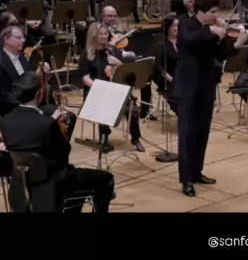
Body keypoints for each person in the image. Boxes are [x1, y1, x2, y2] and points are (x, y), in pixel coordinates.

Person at [0, 72, 114, 213]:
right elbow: (64, 153)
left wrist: (50, 122)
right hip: (52, 182)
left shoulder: (5, 121)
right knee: (106, 179)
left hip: (21, 182)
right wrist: (56, 124)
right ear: (38, 95)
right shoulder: (47, 124)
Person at [175, 0, 248, 197]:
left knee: (202, 131)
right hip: (188, 88)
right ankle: (186, 179)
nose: (216, 16)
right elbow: (188, 40)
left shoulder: (212, 29)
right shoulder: (186, 24)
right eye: (213, 12)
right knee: (187, 134)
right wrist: (212, 30)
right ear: (201, 11)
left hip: (206, 86)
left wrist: (237, 42)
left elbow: (220, 54)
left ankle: (196, 172)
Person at [78, 22, 145, 151]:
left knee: (132, 108)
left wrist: (118, 63)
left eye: (105, 33)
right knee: (104, 108)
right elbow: (85, 79)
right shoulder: (86, 55)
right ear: (93, 36)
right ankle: (103, 138)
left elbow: (122, 72)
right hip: (95, 91)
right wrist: (102, 88)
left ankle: (135, 138)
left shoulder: (111, 51)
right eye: (100, 34)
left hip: (113, 88)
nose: (104, 36)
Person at [152, 15, 179, 114]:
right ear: (167, 27)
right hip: (167, 80)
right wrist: (170, 78)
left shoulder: (182, 42)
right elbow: (158, 65)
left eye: (177, 26)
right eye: (173, 26)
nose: (176, 28)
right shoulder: (161, 43)